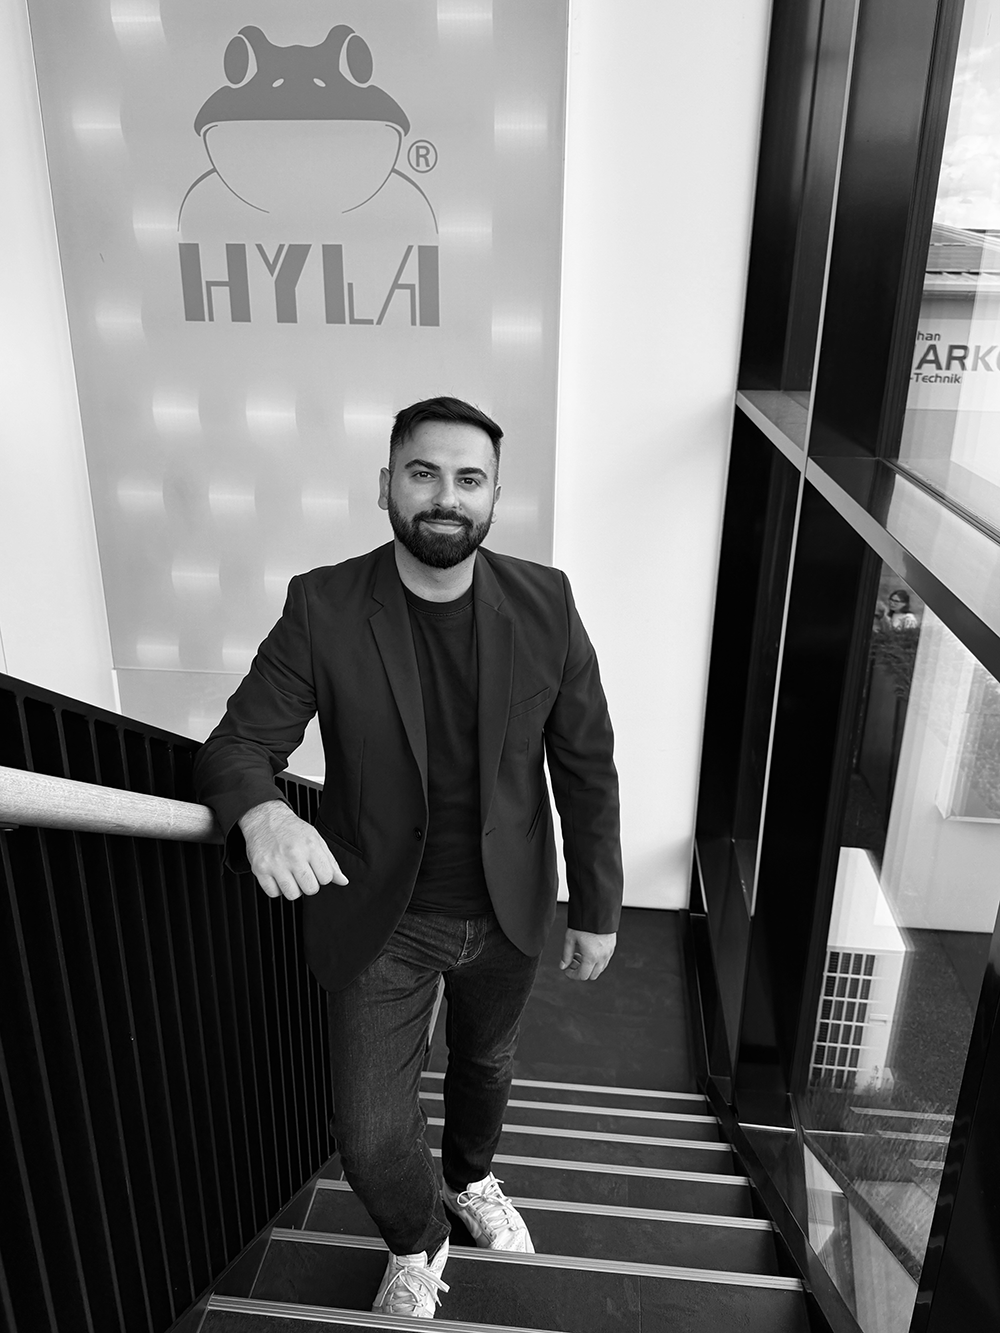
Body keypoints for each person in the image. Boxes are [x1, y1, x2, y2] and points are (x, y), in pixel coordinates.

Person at [193, 396, 623, 1319]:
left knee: (487, 1060)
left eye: (469, 479)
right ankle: (419, 1237)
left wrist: (598, 905)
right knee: (367, 1129)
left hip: (508, 905)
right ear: (386, 484)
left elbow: (586, 763)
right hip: (382, 911)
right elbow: (238, 743)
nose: (446, 497)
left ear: (495, 496)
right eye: (424, 473)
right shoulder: (324, 604)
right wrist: (263, 811)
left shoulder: (546, 603)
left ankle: (470, 1177)